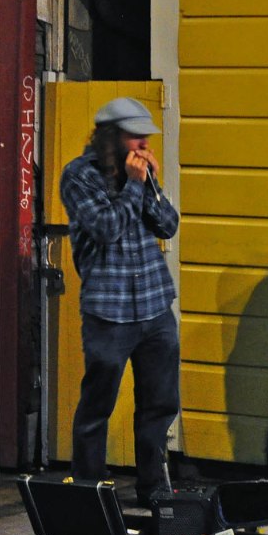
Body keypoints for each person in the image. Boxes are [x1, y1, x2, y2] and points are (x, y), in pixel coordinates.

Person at [59, 97, 180, 507]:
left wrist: (148, 188)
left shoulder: (139, 174)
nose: (144, 143)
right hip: (108, 310)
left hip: (154, 304)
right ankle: (88, 489)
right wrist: (133, 186)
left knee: (159, 403)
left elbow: (168, 225)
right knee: (98, 404)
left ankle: (154, 487)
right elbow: (107, 228)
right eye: (135, 135)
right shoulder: (78, 176)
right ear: (112, 136)